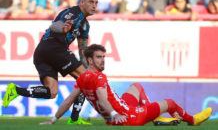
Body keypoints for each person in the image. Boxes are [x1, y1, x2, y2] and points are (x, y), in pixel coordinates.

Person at [40, 44, 212, 126]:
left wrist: (53, 120)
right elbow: (101, 97)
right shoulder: (99, 77)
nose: (102, 60)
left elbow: (68, 100)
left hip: (120, 111)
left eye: (103, 57)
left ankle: (154, 116)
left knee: (136, 86)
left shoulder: (82, 78)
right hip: (128, 116)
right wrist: (115, 114)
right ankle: (193, 120)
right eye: (99, 57)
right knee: (170, 103)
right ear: (90, 60)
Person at [3, 0, 98, 125]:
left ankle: (16, 90)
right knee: (85, 79)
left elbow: (82, 49)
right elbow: (55, 25)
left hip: (42, 52)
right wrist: (63, 29)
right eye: (91, 2)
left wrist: (87, 66)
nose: (94, 5)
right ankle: (75, 119)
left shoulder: (85, 25)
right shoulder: (72, 13)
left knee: (52, 92)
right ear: (81, 2)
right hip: (54, 47)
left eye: (96, 3)